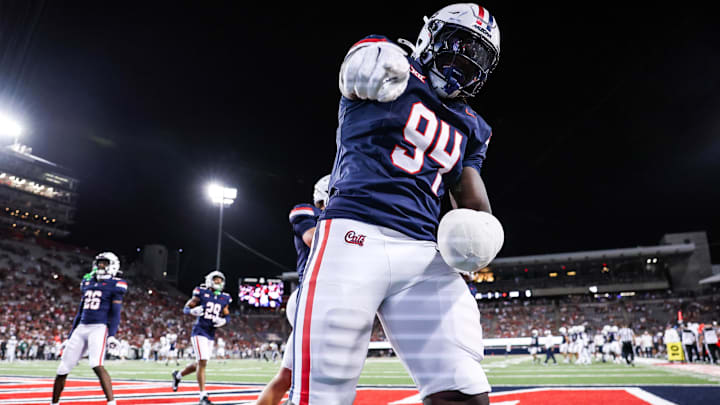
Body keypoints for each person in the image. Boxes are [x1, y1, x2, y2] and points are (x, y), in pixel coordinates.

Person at [290, 4, 501, 404]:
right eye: (457, 44)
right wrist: (370, 50)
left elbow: (472, 201)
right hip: (355, 236)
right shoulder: (393, 65)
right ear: (430, 36)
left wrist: (481, 235)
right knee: (323, 391)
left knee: (463, 389)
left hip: (423, 254)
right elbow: (360, 65)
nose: (463, 60)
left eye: (477, 55)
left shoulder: (473, 125)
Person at [256, 174, 330, 405]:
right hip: (312, 296)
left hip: (329, 299)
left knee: (286, 376)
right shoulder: (308, 211)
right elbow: (313, 238)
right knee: (321, 378)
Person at [51, 252, 127, 405]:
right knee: (62, 369)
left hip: (98, 328)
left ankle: (112, 402)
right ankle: (54, 403)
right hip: (82, 327)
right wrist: (70, 336)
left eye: (104, 263)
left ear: (112, 265)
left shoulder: (116, 285)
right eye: (99, 263)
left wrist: (111, 335)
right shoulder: (88, 283)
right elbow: (80, 312)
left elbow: (115, 313)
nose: (100, 266)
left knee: (96, 364)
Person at [172, 271, 231, 405]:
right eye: (216, 280)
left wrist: (224, 321)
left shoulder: (224, 298)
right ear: (210, 281)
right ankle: (203, 396)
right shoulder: (201, 292)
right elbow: (186, 308)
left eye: (220, 281)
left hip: (211, 334)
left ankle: (178, 375)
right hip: (199, 331)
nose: (218, 283)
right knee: (202, 362)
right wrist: (192, 311)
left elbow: (227, 315)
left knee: (200, 364)